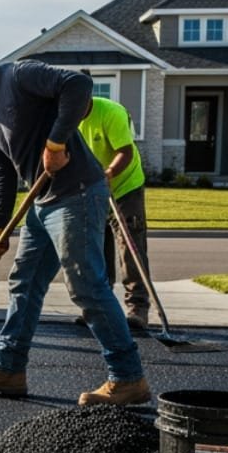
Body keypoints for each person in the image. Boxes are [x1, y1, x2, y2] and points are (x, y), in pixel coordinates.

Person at [0, 40, 149, 406]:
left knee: (86, 286)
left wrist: (55, 143)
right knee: (25, 281)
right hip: (42, 202)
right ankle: (9, 369)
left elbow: (77, 86)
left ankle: (128, 378)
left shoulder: (20, 74)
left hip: (78, 191)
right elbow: (1, 173)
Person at [78, 96, 151, 330]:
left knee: (130, 247)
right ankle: (101, 308)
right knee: (97, 249)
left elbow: (125, 151)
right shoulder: (65, 116)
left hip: (125, 187)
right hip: (92, 190)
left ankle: (138, 309)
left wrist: (108, 173)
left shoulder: (111, 112)